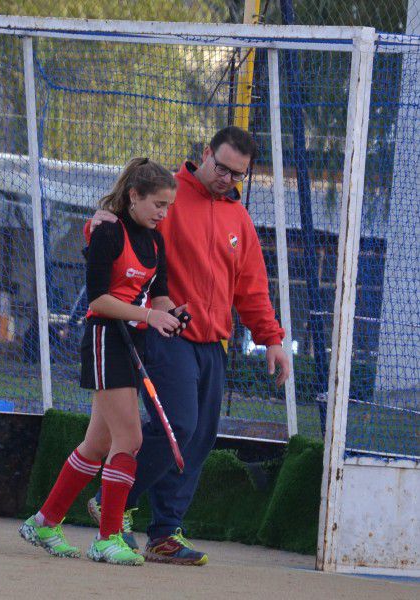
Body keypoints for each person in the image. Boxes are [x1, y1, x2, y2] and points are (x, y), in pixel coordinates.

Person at [86, 126, 291, 565]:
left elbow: (252, 287)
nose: (226, 179)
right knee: (177, 423)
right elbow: (119, 223)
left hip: (214, 341)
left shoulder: (240, 219)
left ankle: (165, 533)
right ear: (205, 154)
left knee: (198, 437)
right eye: (222, 168)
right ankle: (112, 503)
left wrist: (272, 339)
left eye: (238, 175)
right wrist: (96, 223)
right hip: (167, 334)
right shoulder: (170, 198)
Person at [19, 158, 188, 566]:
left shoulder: (155, 240)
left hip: (134, 344)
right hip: (104, 340)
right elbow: (97, 299)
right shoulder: (108, 232)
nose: (163, 213)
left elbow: (159, 295)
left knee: (98, 445)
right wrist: (149, 315)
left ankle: (44, 521)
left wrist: (174, 313)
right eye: (158, 204)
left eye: (168, 206)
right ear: (134, 196)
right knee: (128, 440)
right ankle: (107, 538)